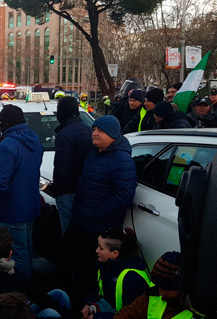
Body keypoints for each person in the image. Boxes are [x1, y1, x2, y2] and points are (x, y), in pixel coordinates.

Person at [59, 115, 137, 307]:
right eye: (94, 129)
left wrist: (95, 213)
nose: (94, 133)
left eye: (100, 131)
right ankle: (62, 296)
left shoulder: (122, 160)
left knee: (86, 270)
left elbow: (124, 195)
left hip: (98, 227)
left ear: (112, 134)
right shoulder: (93, 152)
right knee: (63, 257)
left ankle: (79, 305)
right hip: (80, 220)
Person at [0, 104, 44, 279]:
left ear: (5, 123)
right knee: (26, 248)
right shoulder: (34, 139)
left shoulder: (7, 146)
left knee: (15, 256)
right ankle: (28, 288)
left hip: (12, 209)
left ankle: (20, 295)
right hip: (31, 205)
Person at [81, 228, 152, 319]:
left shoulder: (133, 279)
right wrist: (89, 302)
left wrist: (99, 317)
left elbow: (134, 315)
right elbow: (100, 289)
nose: (96, 250)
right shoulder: (106, 264)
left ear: (115, 253)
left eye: (101, 248)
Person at [48, 96, 93, 233]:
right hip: (85, 188)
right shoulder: (88, 130)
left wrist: (55, 189)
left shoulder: (65, 134)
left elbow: (62, 167)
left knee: (68, 230)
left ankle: (68, 252)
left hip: (67, 191)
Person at [114, 252, 196, 319]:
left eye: (166, 289)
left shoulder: (197, 312)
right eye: (159, 286)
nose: (161, 293)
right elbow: (128, 312)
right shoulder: (153, 294)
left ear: (183, 288)